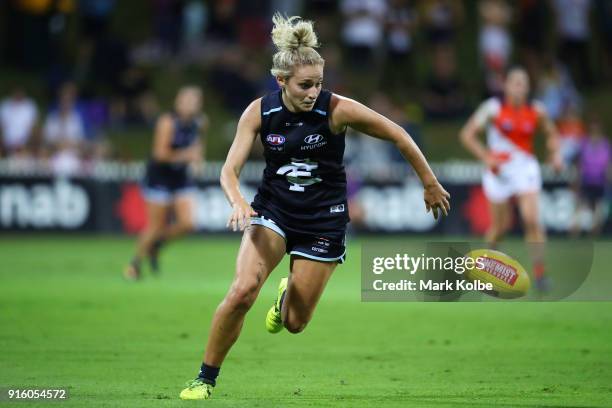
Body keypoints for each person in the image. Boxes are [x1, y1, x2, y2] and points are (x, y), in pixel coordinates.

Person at [179, 14, 450, 401]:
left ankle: (287, 295)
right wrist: (237, 199)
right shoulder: (259, 112)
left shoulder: (337, 110)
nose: (313, 92)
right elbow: (228, 170)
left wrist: (429, 182)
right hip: (273, 211)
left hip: (323, 221)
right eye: (305, 85)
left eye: (318, 84)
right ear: (281, 82)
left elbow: (399, 135)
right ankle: (204, 378)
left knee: (294, 323)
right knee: (242, 291)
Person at [459, 67, 562, 292]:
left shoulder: (537, 110)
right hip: (499, 172)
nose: (518, 87)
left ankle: (540, 274)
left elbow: (552, 133)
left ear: (527, 88)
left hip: (525, 168)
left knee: (531, 219)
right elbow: (466, 135)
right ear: (506, 86)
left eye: (522, 83)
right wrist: (487, 157)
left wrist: (555, 154)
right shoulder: (492, 109)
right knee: (500, 227)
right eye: (514, 82)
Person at [123, 86, 205, 280]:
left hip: (180, 177)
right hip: (159, 178)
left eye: (195, 101)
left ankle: (156, 245)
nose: (191, 104)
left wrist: (198, 160)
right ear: (178, 102)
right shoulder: (168, 122)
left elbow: (198, 145)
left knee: (189, 223)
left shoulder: (200, 122)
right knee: (155, 226)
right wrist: (186, 156)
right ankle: (134, 264)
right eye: (187, 100)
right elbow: (160, 154)